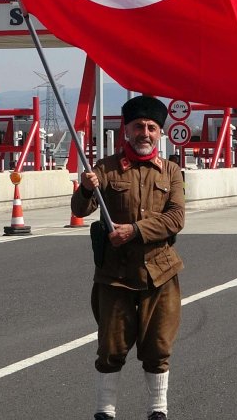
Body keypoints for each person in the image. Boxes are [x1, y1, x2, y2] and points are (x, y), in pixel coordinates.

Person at [72, 95, 185, 420]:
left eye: (151, 127)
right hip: (115, 275)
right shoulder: (105, 169)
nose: (144, 133)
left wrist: (134, 231)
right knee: (111, 347)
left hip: (160, 273)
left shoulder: (171, 172)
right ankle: (105, 411)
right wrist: (86, 188)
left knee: (159, 346)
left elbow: (176, 218)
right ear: (126, 129)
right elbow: (80, 209)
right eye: (138, 126)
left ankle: (157, 410)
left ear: (159, 133)